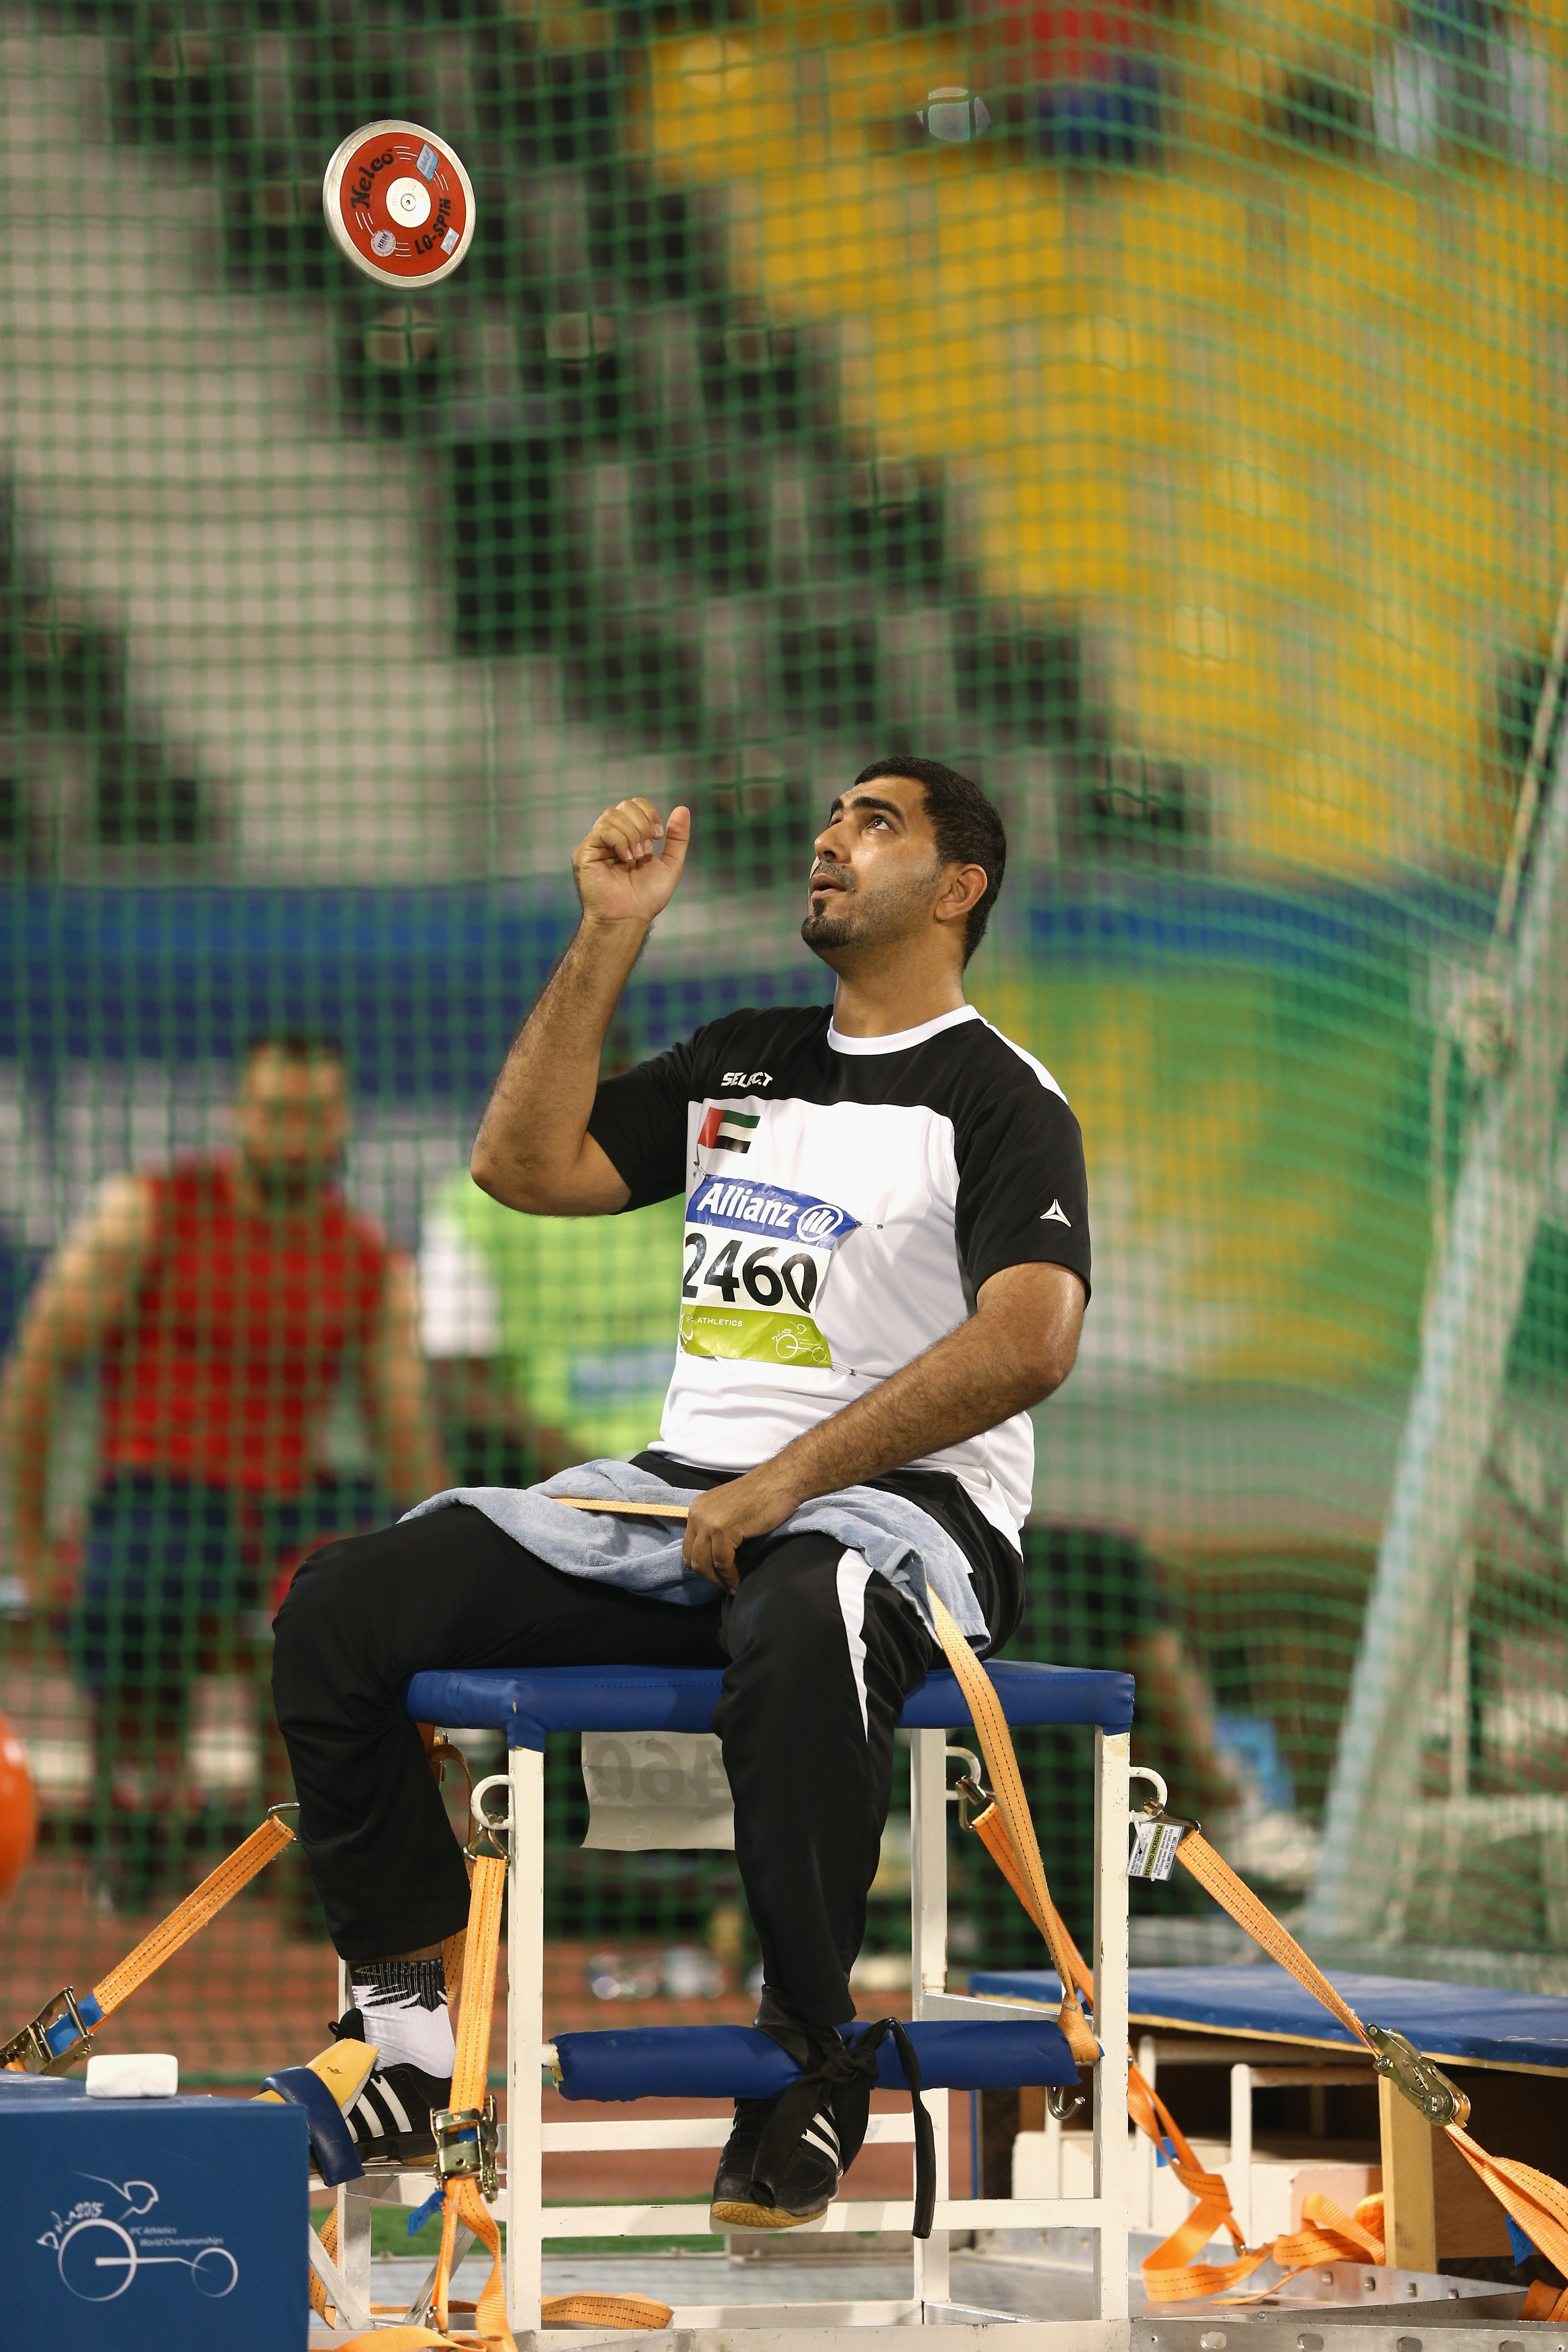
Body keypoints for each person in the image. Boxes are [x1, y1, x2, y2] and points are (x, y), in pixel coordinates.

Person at [270, 758, 1092, 2227]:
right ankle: (407, 2029)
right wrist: (608, 932)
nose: (829, 839)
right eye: (832, 817)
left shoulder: (997, 1094)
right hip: (671, 1512)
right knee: (341, 1605)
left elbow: (1030, 1337)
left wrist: (792, 1476)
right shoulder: (746, 1055)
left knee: (809, 1599)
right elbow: (518, 1164)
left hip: (894, 1519)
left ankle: (806, 2055)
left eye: (874, 822)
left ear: (958, 886)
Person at [0, 1034, 448, 1902]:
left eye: (314, 1115)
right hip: (161, 1493)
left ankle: (308, 1828)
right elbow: (40, 1371)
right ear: (240, 1115)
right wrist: (32, 1545)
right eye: (275, 1112)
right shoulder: (148, 1212)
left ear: (340, 1124)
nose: (294, 1134)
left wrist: (437, 1563)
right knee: (137, 1581)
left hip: (285, 1499)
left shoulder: (368, 1261)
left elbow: (405, 1433)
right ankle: (138, 1814)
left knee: (350, 1585)